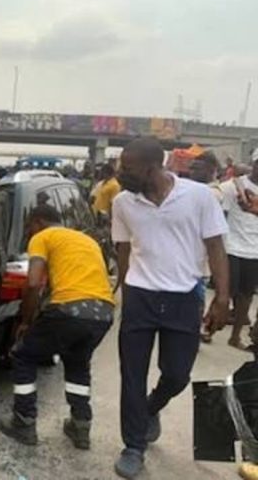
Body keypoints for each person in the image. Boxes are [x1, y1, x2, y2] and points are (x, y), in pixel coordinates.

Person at [111, 138, 229, 479]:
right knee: (131, 375)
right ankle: (133, 446)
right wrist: (123, 287)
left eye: (128, 168)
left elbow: (216, 247)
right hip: (140, 296)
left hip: (183, 297)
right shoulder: (123, 202)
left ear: (153, 167)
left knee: (177, 374)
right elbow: (122, 248)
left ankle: (151, 408)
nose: (122, 174)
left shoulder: (198, 196)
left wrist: (221, 299)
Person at [0, 204, 114, 450]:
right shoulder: (86, 240)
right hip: (103, 313)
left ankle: (23, 421)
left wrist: (26, 322)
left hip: (69, 309)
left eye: (29, 228)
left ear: (38, 222)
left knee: (23, 355)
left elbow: (32, 284)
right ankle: (80, 426)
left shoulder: (43, 236)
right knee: (77, 363)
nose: (29, 234)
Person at [220, 149, 258, 351]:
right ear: (254, 164)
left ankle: (235, 337)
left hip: (255, 251)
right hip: (232, 246)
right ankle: (209, 327)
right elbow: (220, 216)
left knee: (246, 295)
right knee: (225, 291)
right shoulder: (232, 187)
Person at [189, 151, 223, 343]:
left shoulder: (213, 193)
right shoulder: (194, 190)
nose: (192, 171)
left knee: (197, 295)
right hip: (189, 254)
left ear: (211, 170)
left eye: (197, 167)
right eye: (192, 167)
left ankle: (196, 329)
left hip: (202, 256)